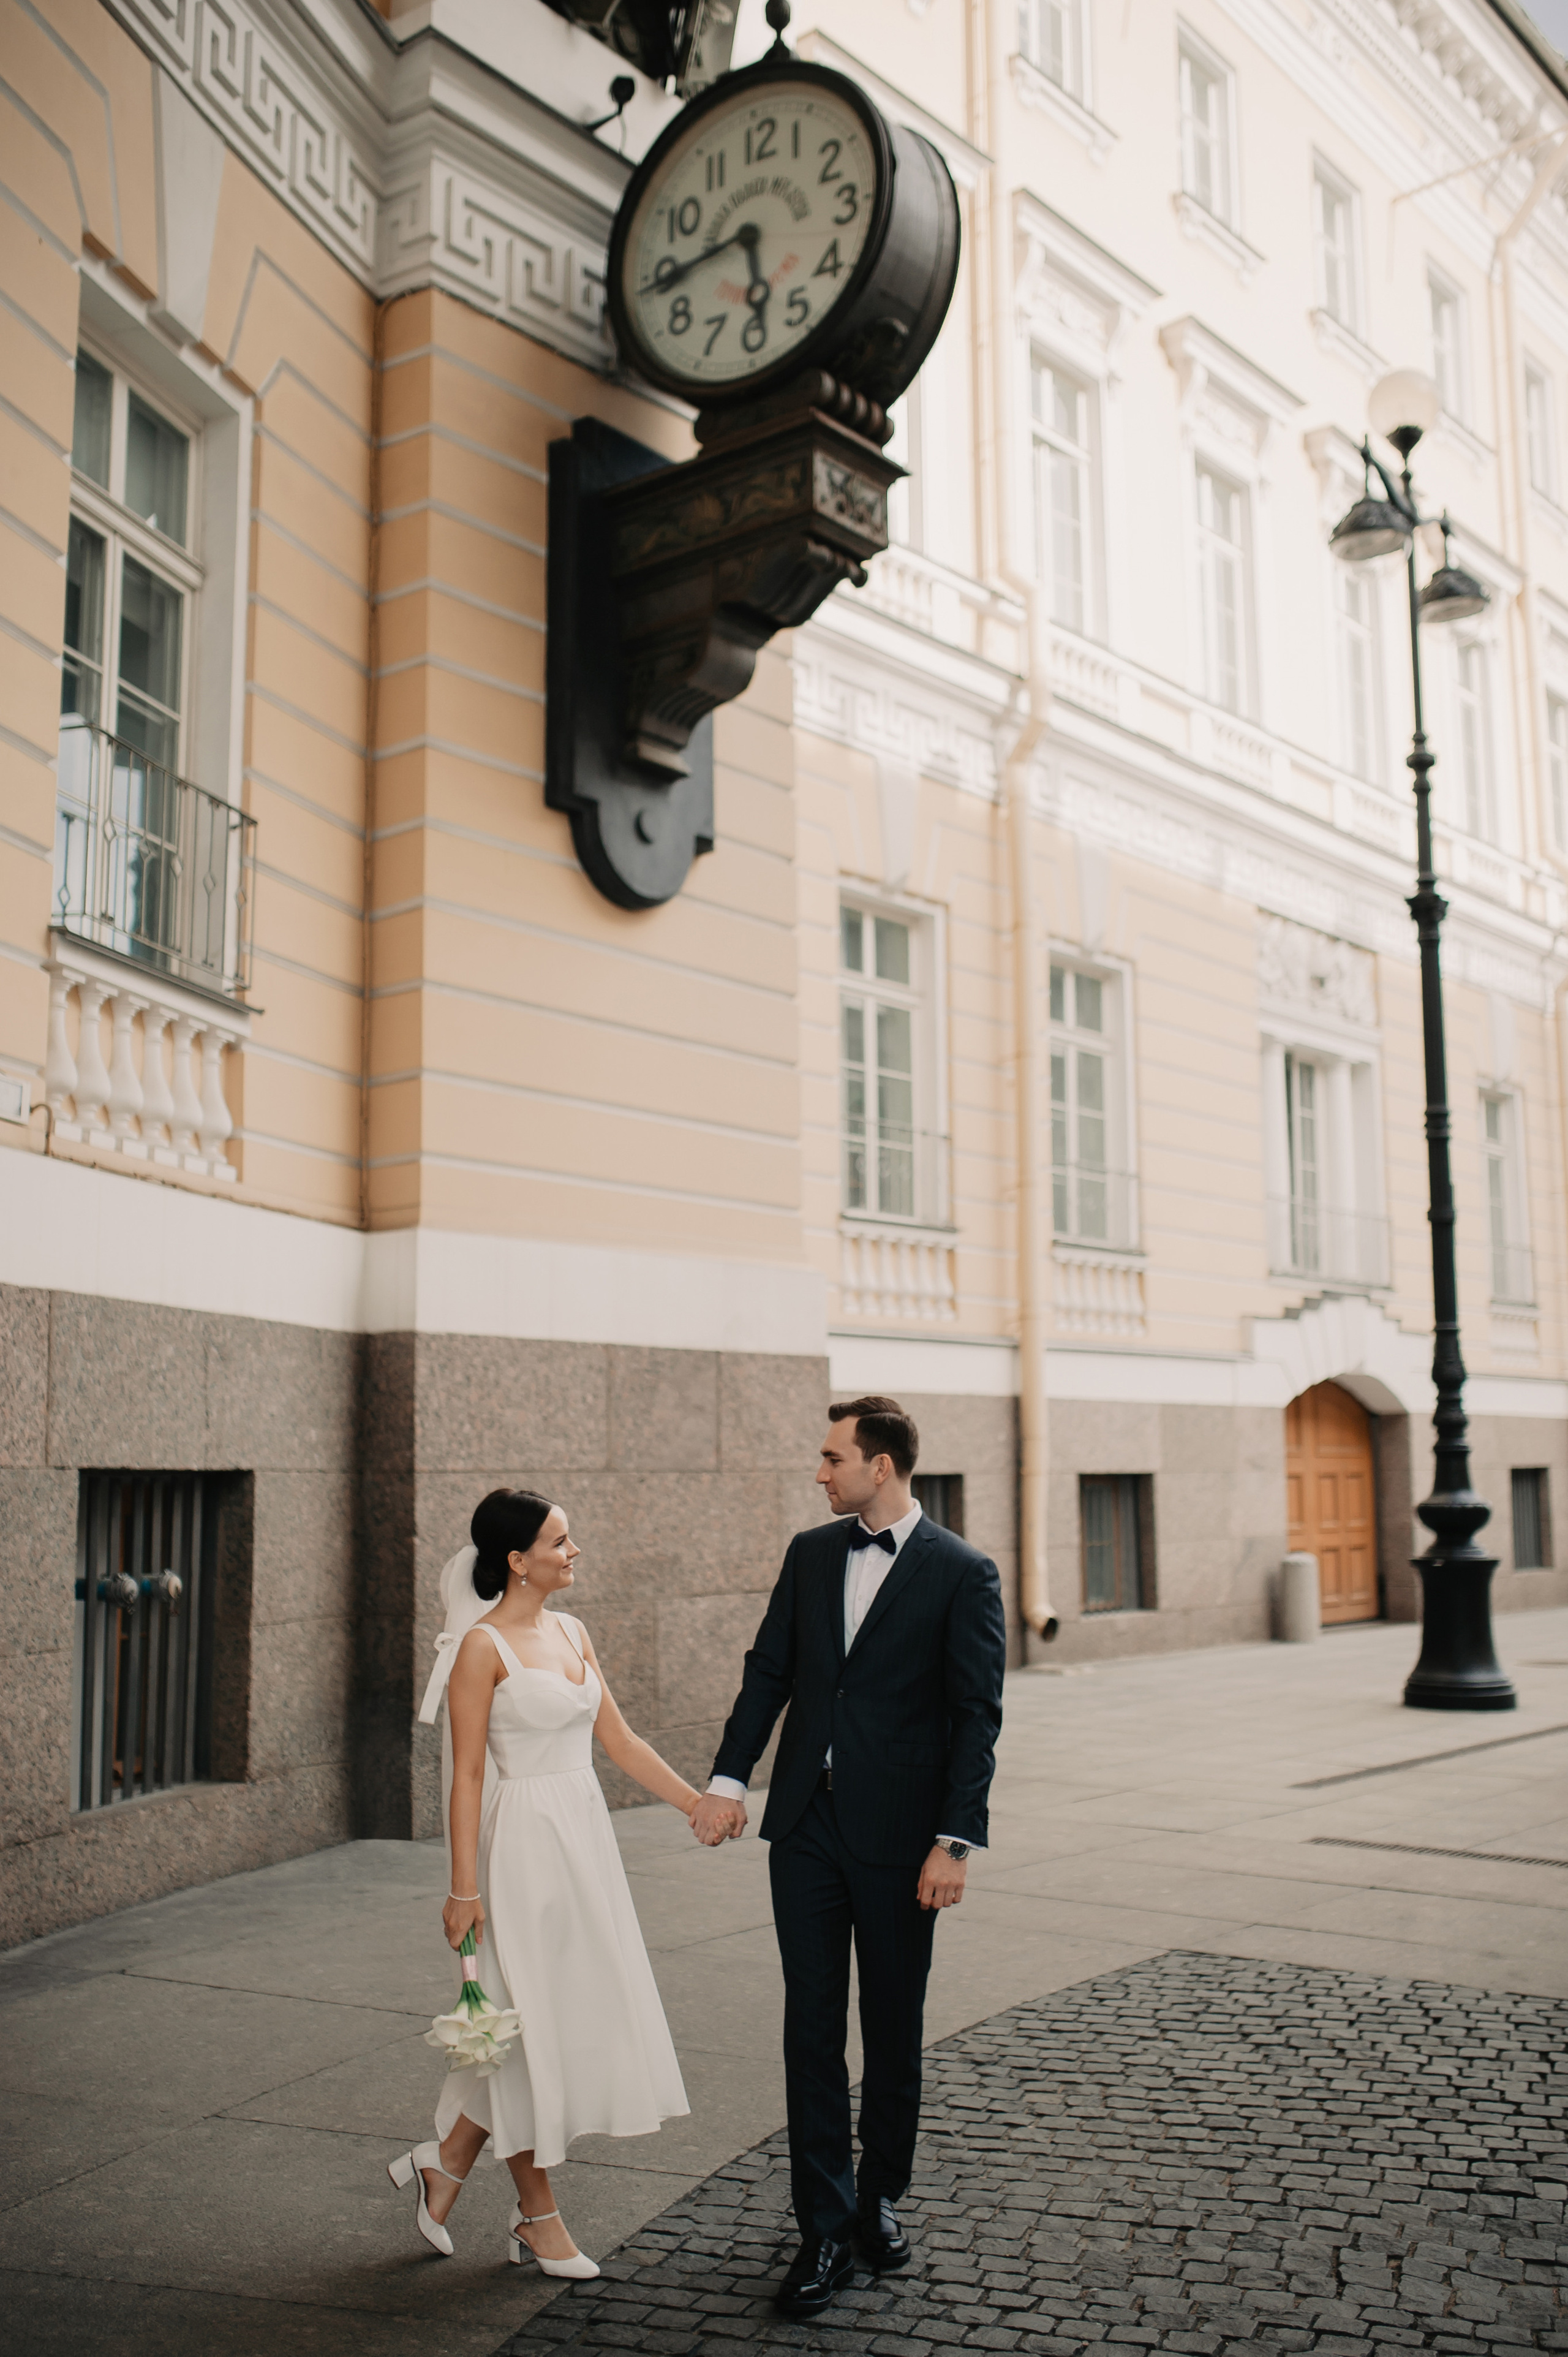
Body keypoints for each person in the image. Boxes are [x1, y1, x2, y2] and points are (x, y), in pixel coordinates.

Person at [690, 1396, 1007, 2318]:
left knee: (894, 2023)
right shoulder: (811, 1552)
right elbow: (770, 1670)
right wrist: (727, 1777)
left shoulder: (964, 1572)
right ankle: (823, 2223)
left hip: (906, 1835)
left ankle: (879, 2195)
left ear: (883, 1465)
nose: (819, 1472)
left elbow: (975, 1714)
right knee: (811, 2025)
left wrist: (955, 1839)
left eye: (833, 1458)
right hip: (809, 1829)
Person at [388, 1489, 695, 2276]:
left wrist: (696, 1802)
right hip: (519, 1845)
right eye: (560, 1541)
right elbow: (462, 1779)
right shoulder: (481, 1649)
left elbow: (618, 1738)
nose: (574, 1550)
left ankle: (446, 2162)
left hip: (582, 1839)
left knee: (556, 2017)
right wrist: (463, 1891)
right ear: (517, 1560)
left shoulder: (573, 1630)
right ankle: (538, 2216)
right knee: (525, 2029)